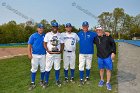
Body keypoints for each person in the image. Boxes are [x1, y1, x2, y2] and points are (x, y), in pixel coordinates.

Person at [94, 27, 116, 91]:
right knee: (101, 69)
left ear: (102, 31)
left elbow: (113, 44)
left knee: (108, 69)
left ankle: (108, 82)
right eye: (97, 30)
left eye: (99, 30)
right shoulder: (95, 38)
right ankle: (102, 80)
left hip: (107, 56)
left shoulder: (108, 36)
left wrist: (113, 52)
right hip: (100, 56)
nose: (98, 31)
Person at [43, 22, 64, 88]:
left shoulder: (60, 35)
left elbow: (62, 44)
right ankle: (46, 81)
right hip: (50, 54)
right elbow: (44, 43)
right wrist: (47, 50)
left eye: (56, 27)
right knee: (48, 67)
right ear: (52, 27)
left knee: (57, 67)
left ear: (57, 27)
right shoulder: (48, 34)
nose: (55, 28)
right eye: (53, 27)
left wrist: (61, 51)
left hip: (57, 54)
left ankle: (57, 80)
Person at [77, 21, 97, 86]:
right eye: (84, 26)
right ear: (82, 27)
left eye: (86, 26)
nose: (85, 27)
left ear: (88, 26)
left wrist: (105, 33)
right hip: (82, 53)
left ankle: (87, 78)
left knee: (88, 65)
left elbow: (99, 34)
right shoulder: (79, 33)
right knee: (81, 66)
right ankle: (81, 79)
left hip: (89, 52)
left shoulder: (92, 33)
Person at [27, 23, 46, 90]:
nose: (41, 29)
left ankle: (41, 81)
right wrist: (29, 53)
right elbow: (29, 45)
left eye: (42, 28)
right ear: (37, 29)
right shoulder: (33, 36)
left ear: (43, 29)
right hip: (34, 55)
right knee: (34, 68)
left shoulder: (45, 35)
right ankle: (32, 83)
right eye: (40, 28)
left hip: (43, 55)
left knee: (43, 68)